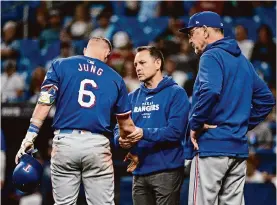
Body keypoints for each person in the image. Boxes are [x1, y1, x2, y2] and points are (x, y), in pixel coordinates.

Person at [15, 37, 137, 205]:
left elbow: (45, 102)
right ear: (107, 55)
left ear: (85, 50)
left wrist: (30, 136)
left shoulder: (61, 65)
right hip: (97, 145)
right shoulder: (116, 79)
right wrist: (132, 148)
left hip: (65, 142)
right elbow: (125, 127)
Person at [179, 11, 275, 205]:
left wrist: (196, 124)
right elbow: (266, 99)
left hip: (211, 147)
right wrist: (240, 125)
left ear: (205, 31)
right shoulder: (242, 61)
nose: (190, 40)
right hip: (237, 149)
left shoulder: (211, 55)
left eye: (192, 33)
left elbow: (211, 90)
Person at [114, 46, 190, 205]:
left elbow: (175, 132)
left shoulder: (176, 93)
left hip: (166, 171)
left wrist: (143, 133)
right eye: (135, 65)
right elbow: (119, 126)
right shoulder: (132, 97)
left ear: (157, 63)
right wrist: (120, 139)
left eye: (142, 63)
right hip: (139, 171)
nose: (138, 68)